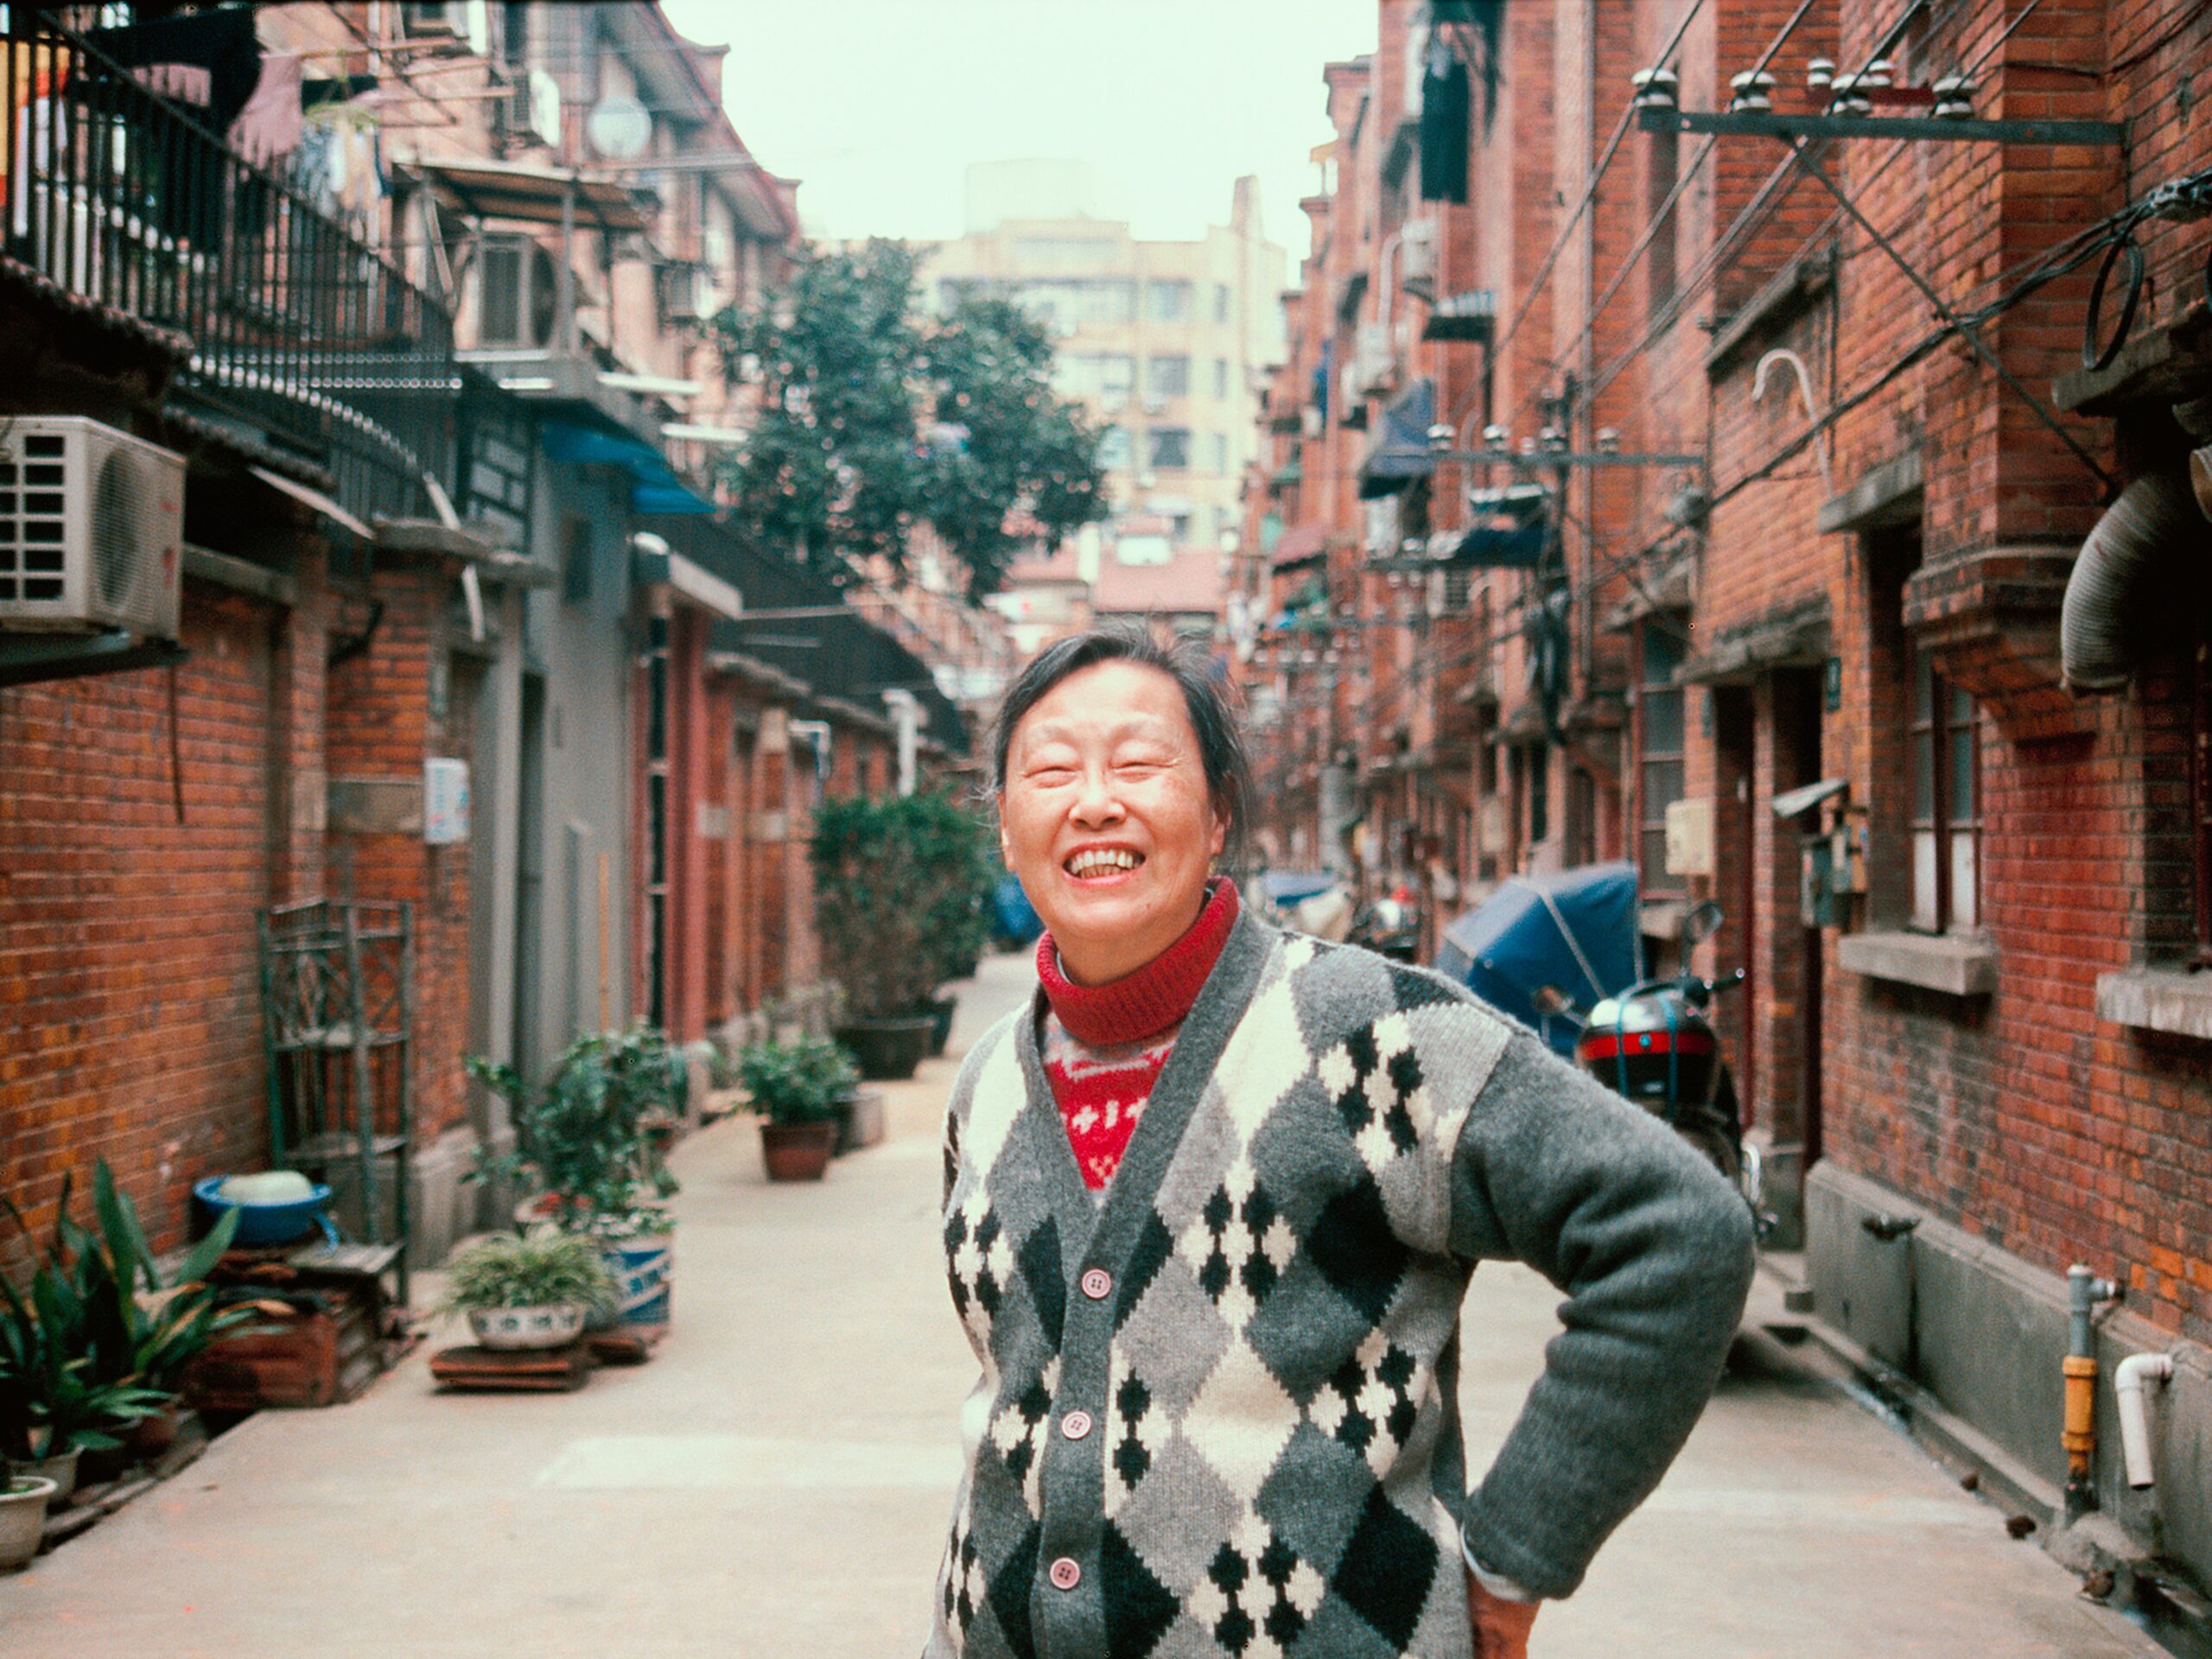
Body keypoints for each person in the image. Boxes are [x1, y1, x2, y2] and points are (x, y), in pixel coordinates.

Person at [927, 626, 1755, 1659]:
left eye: (1139, 764)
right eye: (1049, 772)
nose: (1094, 802)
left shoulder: (1371, 1035)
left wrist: (1517, 1552)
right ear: (1007, 827)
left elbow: (1679, 1234)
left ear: (1220, 811)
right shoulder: (990, 1079)